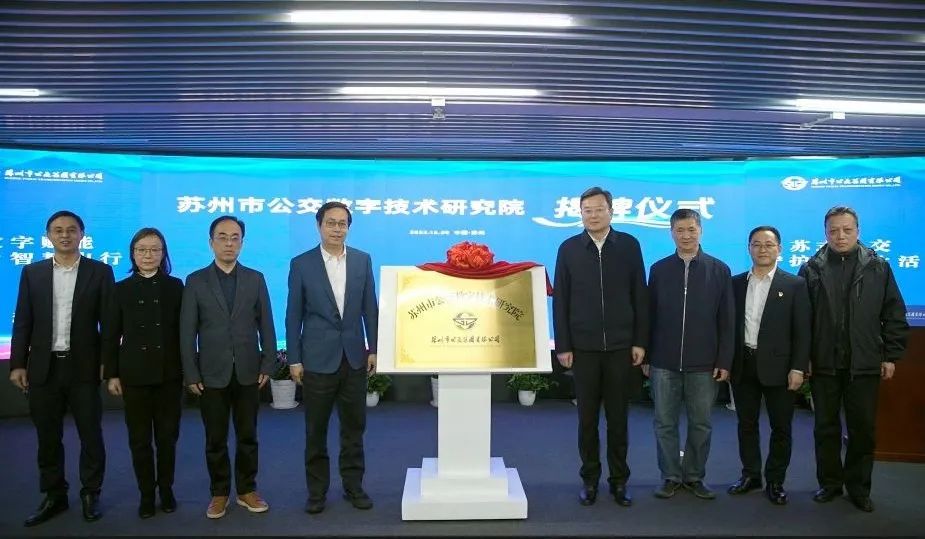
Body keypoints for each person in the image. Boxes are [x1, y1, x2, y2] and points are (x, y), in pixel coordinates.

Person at [799, 206, 909, 512]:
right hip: (824, 363)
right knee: (825, 428)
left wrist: (890, 355)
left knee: (862, 429)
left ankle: (859, 488)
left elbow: (894, 313)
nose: (840, 236)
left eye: (847, 230)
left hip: (864, 362)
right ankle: (830, 484)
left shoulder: (878, 267)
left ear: (858, 231)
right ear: (825, 233)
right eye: (833, 230)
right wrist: (804, 358)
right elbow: (802, 320)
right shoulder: (811, 269)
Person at [9, 210, 114, 526]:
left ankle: (91, 492)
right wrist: (18, 364)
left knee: (90, 435)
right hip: (44, 368)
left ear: (82, 234)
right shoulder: (33, 272)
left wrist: (107, 364)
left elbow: (109, 325)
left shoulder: (100, 272)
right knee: (47, 437)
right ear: (49, 236)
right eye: (58, 230)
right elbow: (23, 321)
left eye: (71, 230)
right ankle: (54, 495)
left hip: (84, 368)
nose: (65, 235)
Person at [552, 186, 649, 507]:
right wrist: (563, 345)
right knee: (587, 420)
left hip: (621, 348)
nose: (593, 215)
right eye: (587, 210)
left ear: (611, 211)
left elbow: (640, 294)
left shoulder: (629, 245)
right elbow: (561, 299)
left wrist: (640, 341)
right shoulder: (569, 248)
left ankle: (619, 481)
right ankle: (590, 480)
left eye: (598, 209)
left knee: (619, 420)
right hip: (583, 349)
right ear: (581, 214)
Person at [179, 215, 277, 519]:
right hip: (211, 373)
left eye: (235, 238)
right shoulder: (195, 280)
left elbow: (267, 325)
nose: (229, 243)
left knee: (248, 436)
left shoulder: (255, 278)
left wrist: (268, 363)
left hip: (249, 371)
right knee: (215, 438)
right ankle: (219, 493)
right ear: (211, 242)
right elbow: (187, 331)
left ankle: (247, 490)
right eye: (222, 237)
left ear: (242, 243)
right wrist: (191, 372)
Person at [286, 201, 379, 515]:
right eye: (331, 223)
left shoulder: (362, 260)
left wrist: (373, 348)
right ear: (319, 225)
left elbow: (370, 309)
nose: (337, 229)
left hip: (353, 358)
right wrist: (294, 359)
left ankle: (354, 486)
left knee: (354, 429)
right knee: (316, 431)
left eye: (342, 224)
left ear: (348, 228)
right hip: (316, 359)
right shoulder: (302, 264)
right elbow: (293, 315)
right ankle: (316, 492)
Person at [644, 208, 734, 500]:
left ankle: (694, 476)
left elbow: (727, 320)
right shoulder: (659, 269)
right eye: (680, 230)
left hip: (704, 364)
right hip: (663, 361)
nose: (686, 235)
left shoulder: (719, 270)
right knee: (664, 423)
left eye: (691, 229)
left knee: (701, 424)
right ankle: (670, 476)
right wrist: (647, 356)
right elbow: (649, 316)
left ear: (701, 231)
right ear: (671, 233)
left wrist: (724, 360)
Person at [102, 228, 184, 518]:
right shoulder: (120, 289)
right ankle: (146, 494)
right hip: (133, 375)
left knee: (167, 438)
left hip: (169, 374)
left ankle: (167, 489)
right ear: (133, 254)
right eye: (142, 250)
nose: (148, 255)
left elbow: (184, 332)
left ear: (163, 254)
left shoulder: (176, 287)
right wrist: (111, 374)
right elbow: (110, 335)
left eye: (155, 250)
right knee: (139, 440)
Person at [727, 226, 810, 505]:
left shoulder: (795, 285)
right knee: (746, 424)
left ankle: (775, 480)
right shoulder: (736, 283)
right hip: (743, 364)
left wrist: (798, 368)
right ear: (749, 248)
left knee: (781, 427)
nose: (762, 249)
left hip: (780, 368)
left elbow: (802, 331)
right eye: (756, 244)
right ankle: (750, 475)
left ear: (779, 249)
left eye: (768, 244)